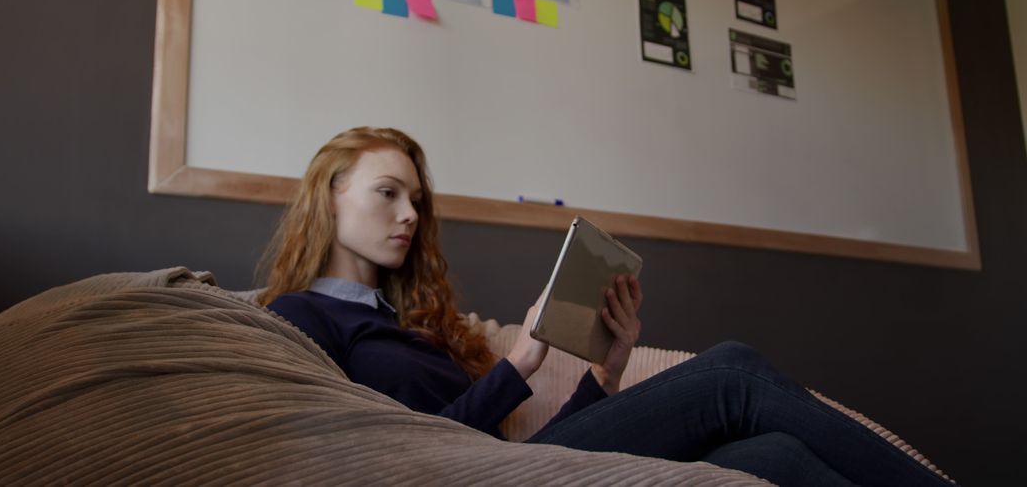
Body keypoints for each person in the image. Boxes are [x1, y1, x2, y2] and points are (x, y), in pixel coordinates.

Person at [260, 126, 952, 486]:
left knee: (772, 453)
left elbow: (517, 452)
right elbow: (413, 456)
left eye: (417, 199)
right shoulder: (299, 318)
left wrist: (605, 376)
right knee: (732, 371)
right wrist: (522, 360)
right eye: (388, 192)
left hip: (510, 469)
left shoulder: (400, 322)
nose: (409, 213)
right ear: (329, 194)